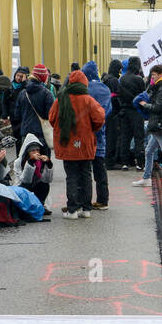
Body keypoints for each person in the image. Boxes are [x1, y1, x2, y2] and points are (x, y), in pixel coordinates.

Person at [48, 70, 106, 218]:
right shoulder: (88, 100)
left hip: (67, 144)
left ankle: (72, 209)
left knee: (71, 176)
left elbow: (52, 118)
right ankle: (86, 209)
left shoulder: (61, 99)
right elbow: (100, 118)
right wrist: (91, 129)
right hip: (85, 143)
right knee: (86, 175)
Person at [82, 61, 112, 209]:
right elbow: (109, 110)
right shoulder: (105, 89)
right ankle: (103, 200)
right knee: (100, 169)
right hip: (100, 132)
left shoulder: (84, 88)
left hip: (85, 133)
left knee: (85, 170)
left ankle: (84, 201)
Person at [115, 56, 146, 169]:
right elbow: (143, 96)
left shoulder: (122, 79)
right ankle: (139, 162)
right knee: (139, 137)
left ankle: (124, 162)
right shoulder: (138, 79)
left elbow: (118, 95)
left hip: (124, 111)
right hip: (136, 111)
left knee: (125, 137)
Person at [13, 134, 54, 206]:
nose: (36, 153)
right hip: (22, 187)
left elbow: (47, 180)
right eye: (33, 150)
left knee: (44, 185)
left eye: (37, 150)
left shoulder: (41, 161)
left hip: (36, 186)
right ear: (27, 152)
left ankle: (40, 204)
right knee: (25, 187)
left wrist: (49, 164)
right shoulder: (18, 162)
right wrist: (30, 163)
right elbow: (25, 180)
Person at [104, 58, 124, 168]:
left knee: (106, 137)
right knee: (112, 137)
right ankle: (110, 162)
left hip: (106, 112)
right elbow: (117, 97)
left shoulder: (106, 78)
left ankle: (106, 159)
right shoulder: (114, 81)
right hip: (113, 113)